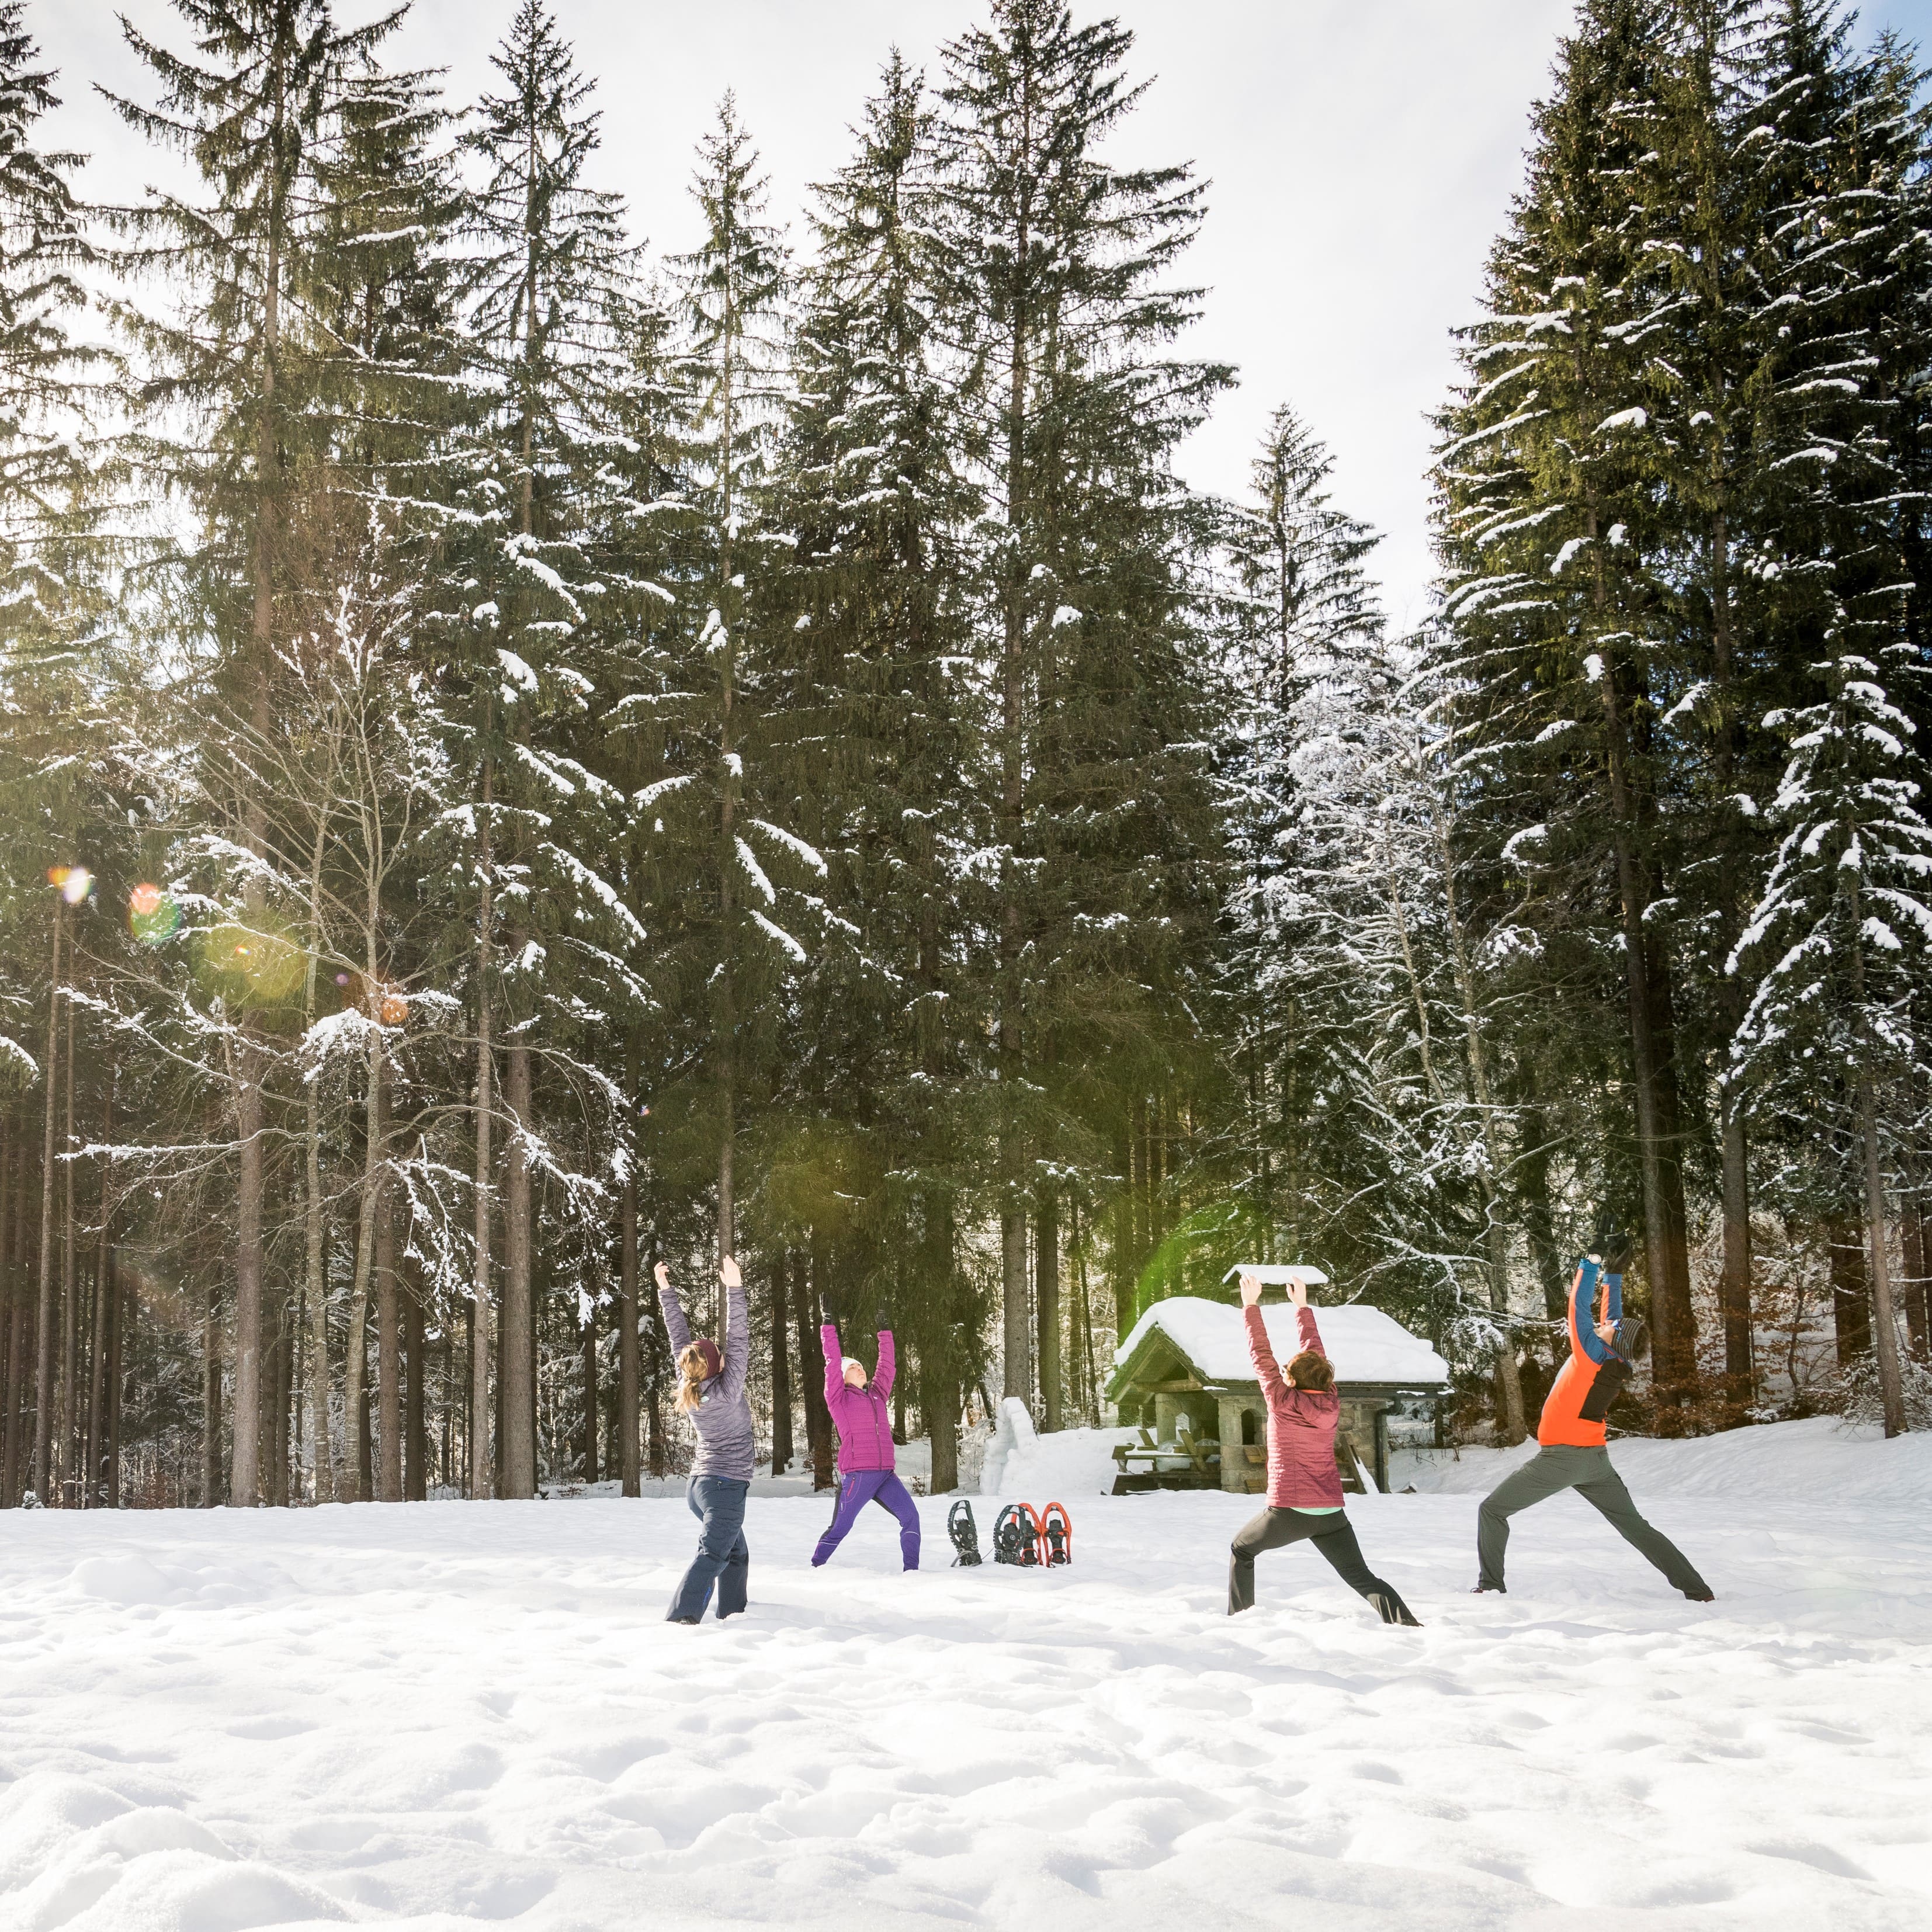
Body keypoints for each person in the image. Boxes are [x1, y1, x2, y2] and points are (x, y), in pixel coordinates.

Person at [1473, 1243, 1713, 1601]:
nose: (1607, 1323)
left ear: (1615, 1339)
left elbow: (1577, 1310)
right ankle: (1698, 1590)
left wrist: (1591, 1263)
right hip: (1595, 1462)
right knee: (1635, 1527)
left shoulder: (1591, 1355)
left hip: (1562, 1460)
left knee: (1491, 1510)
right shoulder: (1617, 1360)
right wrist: (1613, 1276)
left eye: (1612, 1326)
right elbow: (1609, 1316)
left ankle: (1491, 1585)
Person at [1228, 1272, 1420, 1625]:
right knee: (1361, 1577)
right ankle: (1409, 1625)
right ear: (1325, 1379)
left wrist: (1251, 1306)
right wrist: (1302, 1307)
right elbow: (1316, 1355)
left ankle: (1241, 1620)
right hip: (1330, 1512)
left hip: (1288, 1510)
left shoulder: (1281, 1398)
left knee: (1242, 1550)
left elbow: (1260, 1352)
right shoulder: (1331, 1399)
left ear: (1289, 1378)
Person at [658, 1254, 754, 1624]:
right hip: (724, 1486)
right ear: (719, 1365)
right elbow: (740, 1338)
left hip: (700, 1486)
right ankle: (682, 1616)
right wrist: (735, 1289)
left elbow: (678, 1338)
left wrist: (666, 1291)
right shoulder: (728, 1390)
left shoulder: (689, 1384)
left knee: (735, 1552)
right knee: (713, 1555)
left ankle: (734, 1612)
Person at [811, 1317, 921, 1570]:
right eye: (853, 1368)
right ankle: (816, 1567)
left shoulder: (877, 1395)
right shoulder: (838, 1399)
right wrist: (828, 1326)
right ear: (843, 1376)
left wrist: (885, 1332)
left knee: (911, 1517)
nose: (860, 1369)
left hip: (885, 1476)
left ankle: (912, 1572)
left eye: (861, 1366)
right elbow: (831, 1363)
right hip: (858, 1476)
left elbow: (888, 1366)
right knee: (841, 1527)